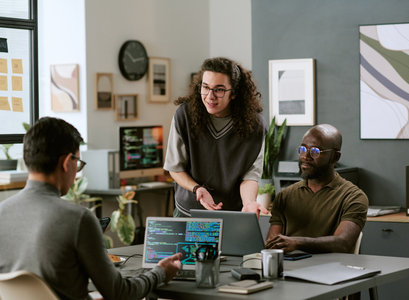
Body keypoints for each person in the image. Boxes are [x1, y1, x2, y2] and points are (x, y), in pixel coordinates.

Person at [0, 117, 182, 300]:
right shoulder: (77, 219)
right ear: (66, 162)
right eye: (78, 163)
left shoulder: (2, 212)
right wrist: (160, 272)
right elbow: (120, 293)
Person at [164, 57, 269, 217]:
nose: (210, 96)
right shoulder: (184, 115)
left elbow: (250, 175)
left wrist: (249, 203)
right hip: (189, 213)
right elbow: (175, 168)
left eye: (219, 90)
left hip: (231, 213)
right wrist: (197, 188)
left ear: (233, 93)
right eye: (205, 87)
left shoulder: (255, 126)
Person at [265, 124, 368, 253]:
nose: (305, 156)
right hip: (289, 268)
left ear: (335, 157)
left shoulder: (353, 197)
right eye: (302, 149)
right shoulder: (284, 196)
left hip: (331, 269)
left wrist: (297, 243)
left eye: (315, 151)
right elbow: (272, 244)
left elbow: (343, 243)